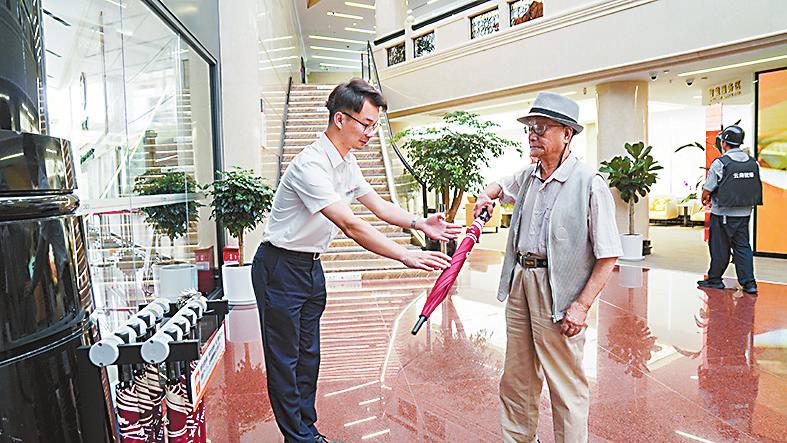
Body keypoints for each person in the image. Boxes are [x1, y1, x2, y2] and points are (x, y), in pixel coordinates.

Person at [251, 78, 461, 443]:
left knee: (308, 357)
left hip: (310, 267)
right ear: (340, 119)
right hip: (280, 267)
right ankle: (299, 437)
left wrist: (419, 222)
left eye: (374, 126)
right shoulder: (310, 165)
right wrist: (404, 254)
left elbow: (378, 206)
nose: (370, 133)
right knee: (285, 360)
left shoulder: (347, 163)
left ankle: (306, 429)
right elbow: (350, 225)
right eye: (366, 124)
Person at [474, 92, 622, 442]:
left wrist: (581, 306)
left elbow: (608, 255)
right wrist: (486, 195)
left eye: (541, 128)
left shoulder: (589, 183)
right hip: (521, 281)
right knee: (517, 377)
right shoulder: (529, 175)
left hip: (559, 290)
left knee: (565, 382)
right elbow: (500, 186)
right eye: (529, 128)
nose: (532, 135)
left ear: (566, 134)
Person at [697, 125, 762, 294]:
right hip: (745, 213)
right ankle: (749, 283)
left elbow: (708, 188)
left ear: (724, 143)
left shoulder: (721, 163)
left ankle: (715, 280)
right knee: (743, 247)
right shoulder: (752, 162)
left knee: (719, 247)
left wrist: (704, 197)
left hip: (723, 214)